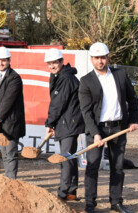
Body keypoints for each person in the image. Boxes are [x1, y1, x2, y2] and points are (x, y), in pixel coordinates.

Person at [79, 42, 138, 213]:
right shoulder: (86, 81)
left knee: (118, 167)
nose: (100, 61)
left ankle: (116, 202)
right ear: (91, 59)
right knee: (92, 166)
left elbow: (132, 99)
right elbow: (86, 112)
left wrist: (134, 120)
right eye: (97, 58)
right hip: (97, 130)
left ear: (108, 57)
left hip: (119, 128)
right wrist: (95, 134)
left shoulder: (120, 75)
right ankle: (90, 204)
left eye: (103, 57)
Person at [43, 48, 84, 201]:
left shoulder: (65, 78)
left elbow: (58, 104)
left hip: (68, 123)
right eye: (50, 63)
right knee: (70, 157)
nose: (52, 65)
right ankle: (71, 192)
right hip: (67, 123)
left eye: (55, 62)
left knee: (65, 158)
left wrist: (50, 122)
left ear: (61, 61)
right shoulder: (59, 76)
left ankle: (63, 193)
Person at [0, 46, 25, 179]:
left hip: (11, 122)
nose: (1, 63)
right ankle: (7, 179)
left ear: (9, 60)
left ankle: (11, 182)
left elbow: (7, 100)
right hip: (0, 121)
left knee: (10, 154)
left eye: (3, 60)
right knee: (4, 153)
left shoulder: (14, 78)